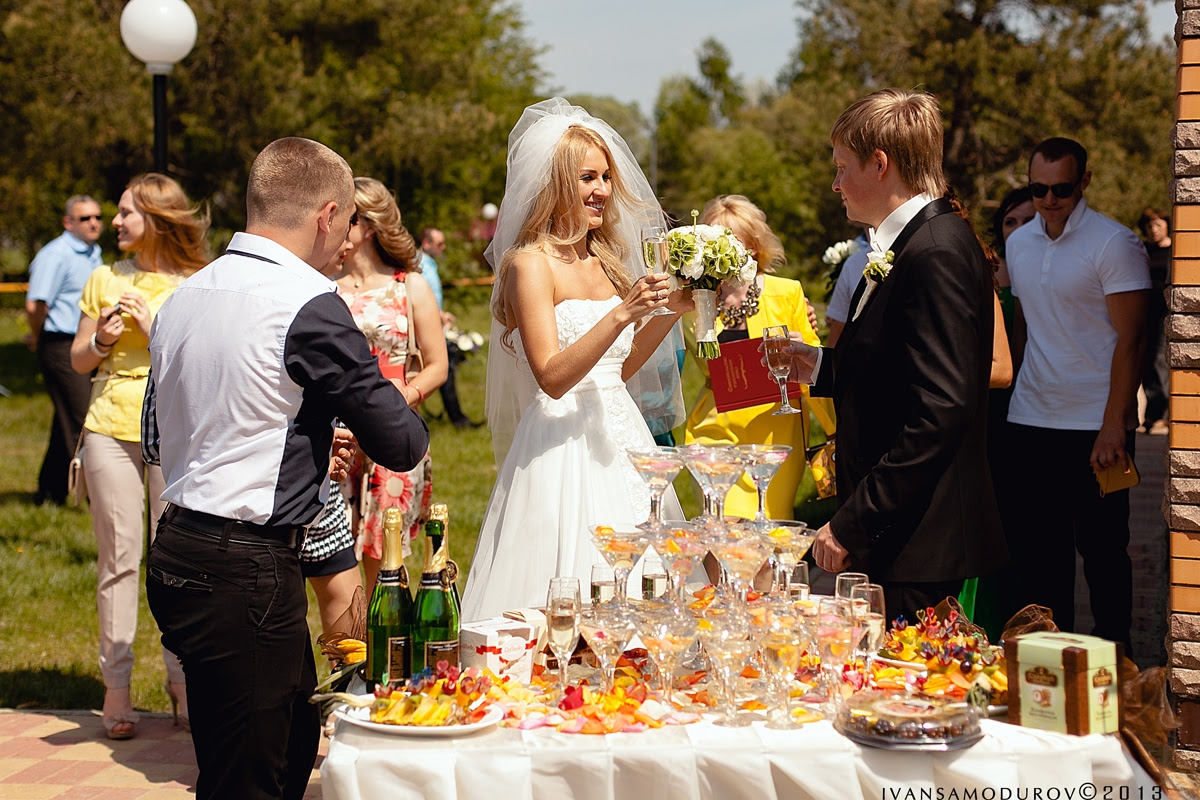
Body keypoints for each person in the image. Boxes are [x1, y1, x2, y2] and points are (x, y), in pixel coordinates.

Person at [142, 137, 430, 800]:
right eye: (348, 225)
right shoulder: (306, 302)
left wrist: (295, 437)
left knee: (291, 739)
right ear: (328, 215)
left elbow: (158, 434)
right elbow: (399, 441)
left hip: (182, 546)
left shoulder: (188, 295)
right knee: (251, 778)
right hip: (244, 568)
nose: (349, 244)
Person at [773, 89, 1006, 623]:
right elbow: (895, 372)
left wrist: (852, 521)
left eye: (841, 167)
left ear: (880, 165)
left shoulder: (936, 250)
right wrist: (818, 364)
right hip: (904, 534)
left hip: (919, 540)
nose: (835, 184)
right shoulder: (909, 244)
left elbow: (940, 411)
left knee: (911, 697)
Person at [461, 97, 688, 621]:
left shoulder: (604, 261)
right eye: (588, 177)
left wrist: (669, 311)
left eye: (606, 177)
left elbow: (620, 370)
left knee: (644, 585)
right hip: (560, 443)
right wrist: (622, 313)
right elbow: (552, 377)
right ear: (557, 182)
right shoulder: (530, 265)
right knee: (565, 589)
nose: (602, 191)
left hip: (621, 434)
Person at [68, 174, 208, 740]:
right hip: (108, 428)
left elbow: (205, 365)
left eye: (126, 213)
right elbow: (79, 359)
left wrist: (155, 333)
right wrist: (102, 339)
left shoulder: (199, 282)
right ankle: (117, 690)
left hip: (175, 431)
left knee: (174, 562)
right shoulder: (103, 277)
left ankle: (183, 683)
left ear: (157, 217)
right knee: (120, 559)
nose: (116, 221)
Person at [1003, 137, 1150, 649]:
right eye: (1038, 188)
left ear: (1083, 182)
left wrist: (1115, 424)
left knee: (1105, 554)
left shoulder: (1115, 244)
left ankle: (1117, 667)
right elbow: (1024, 326)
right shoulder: (1018, 244)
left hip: (1096, 427)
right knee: (1039, 556)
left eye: (1061, 188)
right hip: (1031, 422)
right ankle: (1050, 668)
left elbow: (1132, 341)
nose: (1048, 199)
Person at [683, 194, 835, 519]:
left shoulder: (787, 292)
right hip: (715, 430)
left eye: (730, 240)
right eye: (711, 240)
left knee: (768, 539)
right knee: (720, 535)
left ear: (753, 246)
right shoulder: (692, 301)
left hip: (775, 436)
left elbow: (812, 370)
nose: (718, 250)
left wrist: (836, 429)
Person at [336, 177, 448, 592]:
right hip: (336, 436)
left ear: (366, 224)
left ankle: (386, 650)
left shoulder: (409, 286)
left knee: (386, 561)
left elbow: (437, 365)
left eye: (343, 216)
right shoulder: (321, 286)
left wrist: (401, 396)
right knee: (334, 562)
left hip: (389, 432)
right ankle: (349, 654)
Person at [25, 195, 104, 505]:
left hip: (86, 344)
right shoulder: (55, 254)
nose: (94, 222)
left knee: (66, 420)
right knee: (84, 418)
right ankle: (96, 497)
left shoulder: (93, 252)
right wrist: (36, 336)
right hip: (60, 344)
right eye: (85, 218)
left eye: (96, 216)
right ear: (68, 222)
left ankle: (50, 491)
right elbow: (36, 304)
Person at [421, 226, 477, 428]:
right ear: (426, 243)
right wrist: (437, 315)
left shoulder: (430, 264)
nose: (443, 247)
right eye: (439, 244)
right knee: (444, 368)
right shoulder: (420, 265)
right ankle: (457, 418)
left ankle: (455, 417)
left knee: (446, 370)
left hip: (435, 324)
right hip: (426, 327)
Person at [1138, 206, 1172, 435]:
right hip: (1145, 311)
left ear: (1167, 225)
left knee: (1160, 358)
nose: (1154, 229)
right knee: (1146, 360)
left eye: (1158, 224)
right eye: (1150, 225)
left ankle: (1161, 415)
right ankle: (1151, 414)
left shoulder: (1176, 250)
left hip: (1166, 313)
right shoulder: (1143, 250)